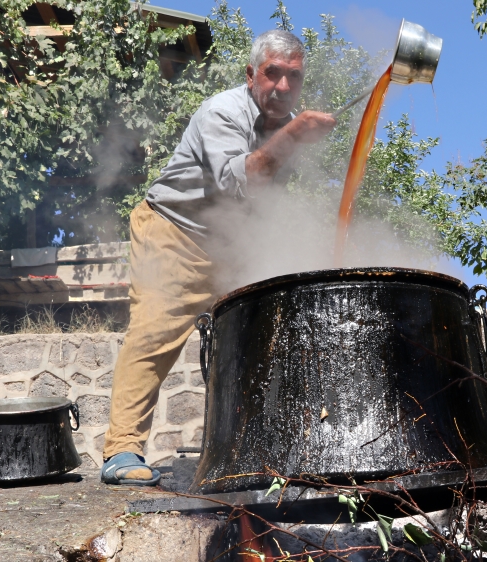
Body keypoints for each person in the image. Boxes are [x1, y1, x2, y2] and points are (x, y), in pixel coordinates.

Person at [100, 30, 336, 485]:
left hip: (230, 246)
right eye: (272, 74)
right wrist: (294, 136)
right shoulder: (221, 113)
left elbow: (268, 207)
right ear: (251, 75)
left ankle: (251, 453)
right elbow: (238, 182)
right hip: (174, 230)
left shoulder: (285, 126)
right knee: (153, 335)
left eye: (294, 77)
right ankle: (121, 451)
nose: (282, 87)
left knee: (261, 337)